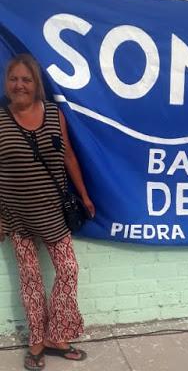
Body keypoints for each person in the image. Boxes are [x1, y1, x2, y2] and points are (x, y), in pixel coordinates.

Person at [0, 53, 95, 371]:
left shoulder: (55, 114)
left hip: (54, 212)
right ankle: (37, 342)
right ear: (6, 83)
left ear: (36, 84)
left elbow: (68, 155)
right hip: (17, 216)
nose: (19, 85)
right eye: (14, 79)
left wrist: (83, 194)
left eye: (26, 79)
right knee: (30, 282)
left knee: (68, 271)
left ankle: (57, 335)